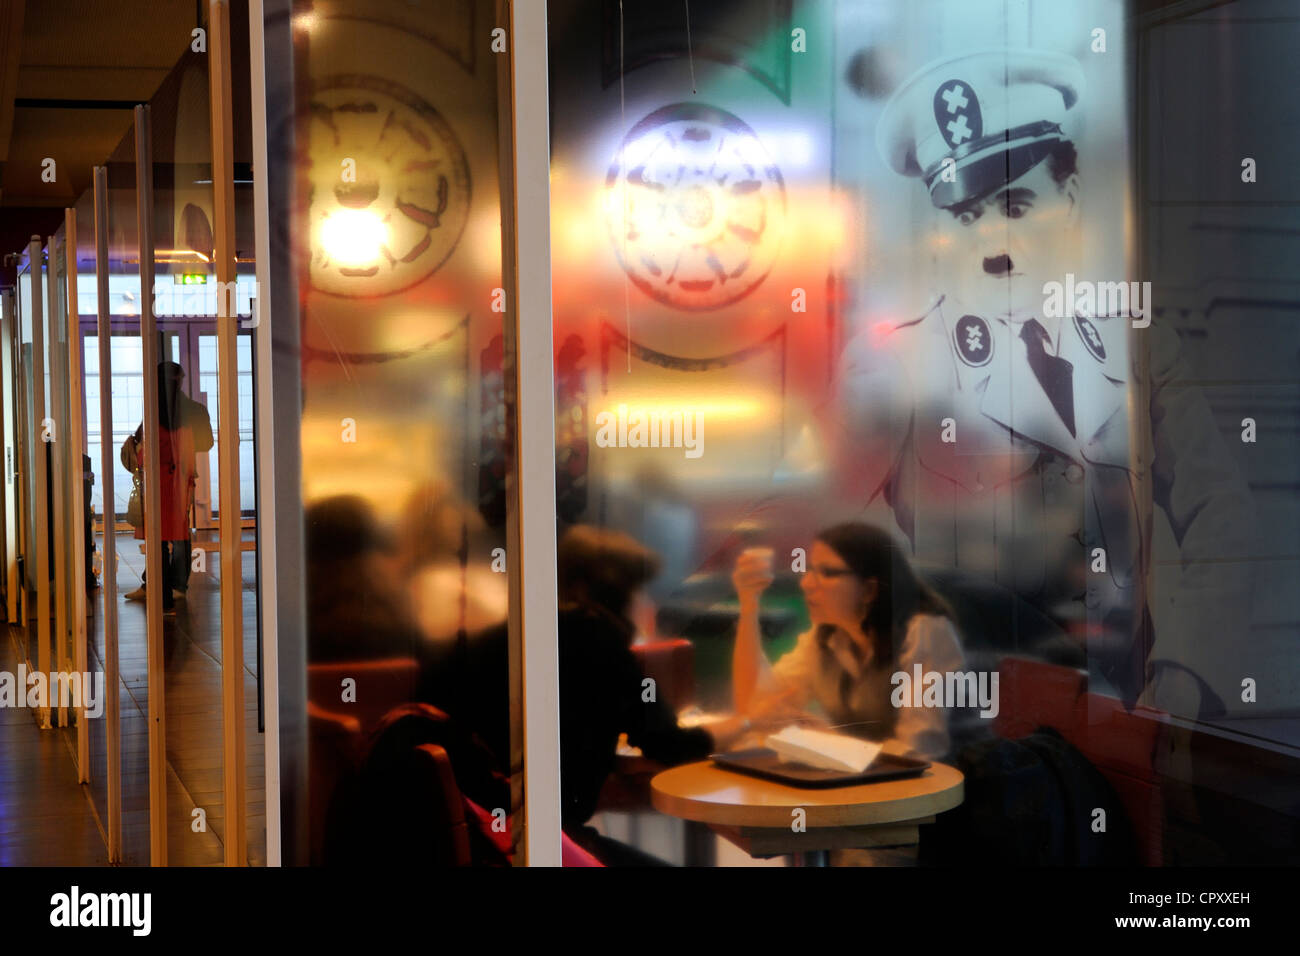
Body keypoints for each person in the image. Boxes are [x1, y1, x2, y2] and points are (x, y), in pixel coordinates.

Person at [832, 48, 1256, 714]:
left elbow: (1222, 514)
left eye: (1017, 205)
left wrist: (1187, 673)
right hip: (967, 729)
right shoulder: (895, 362)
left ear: (1073, 199)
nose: (992, 244)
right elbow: (831, 557)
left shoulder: (1139, 345)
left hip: (1127, 716)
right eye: (967, 217)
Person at [557, 524, 748, 866]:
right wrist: (746, 721)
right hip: (545, 841)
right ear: (617, 593)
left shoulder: (543, 627)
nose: (647, 602)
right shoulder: (596, 637)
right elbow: (668, 743)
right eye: (640, 590)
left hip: (497, 832)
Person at [732, 522, 965, 762]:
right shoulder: (826, 637)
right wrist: (749, 604)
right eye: (809, 570)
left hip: (954, 788)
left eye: (827, 573)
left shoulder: (924, 631)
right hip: (870, 781)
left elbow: (921, 751)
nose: (806, 583)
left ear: (869, 589)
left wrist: (832, 742)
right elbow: (756, 707)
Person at [120, 361, 214, 613]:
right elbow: (206, 442)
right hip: (176, 478)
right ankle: (170, 585)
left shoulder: (158, 409)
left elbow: (141, 444)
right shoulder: (190, 409)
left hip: (163, 479)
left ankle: (162, 585)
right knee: (176, 533)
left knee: (165, 535)